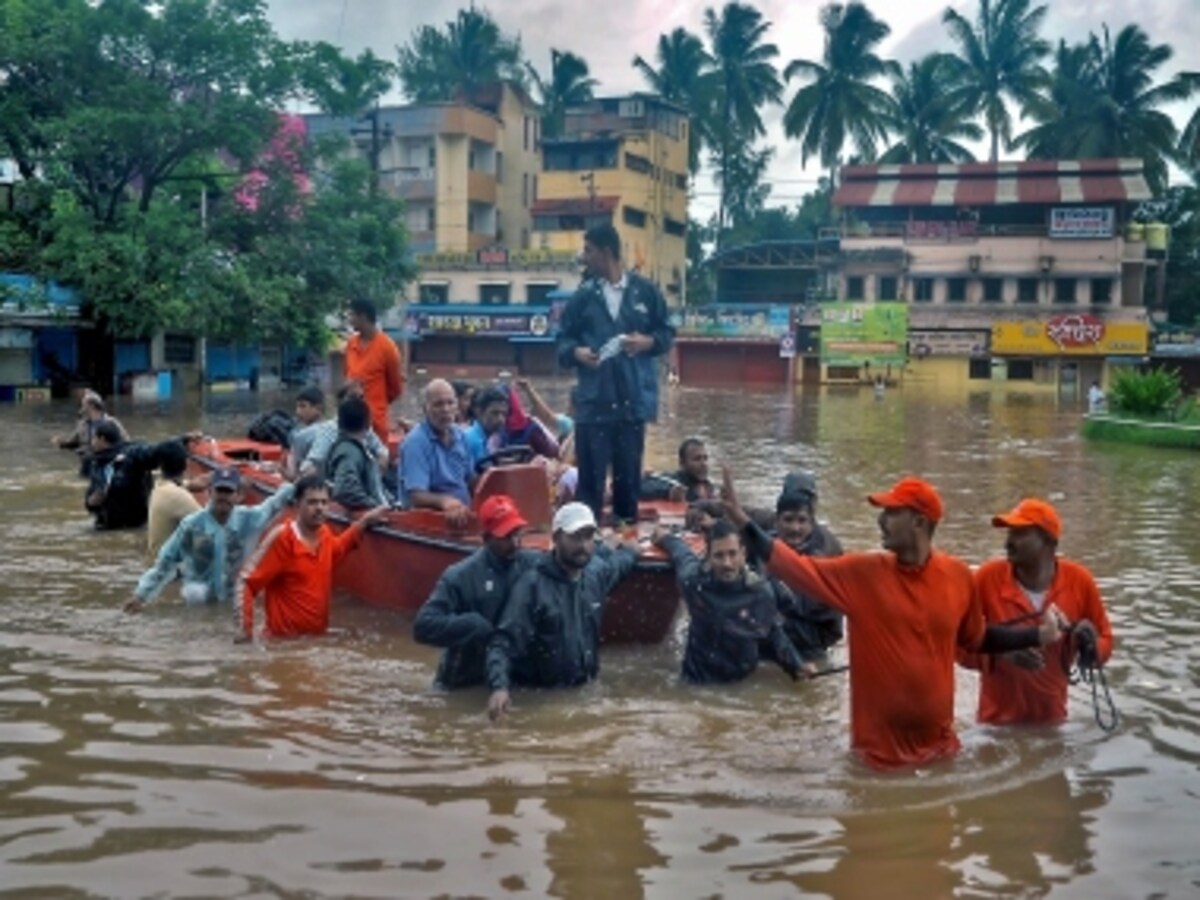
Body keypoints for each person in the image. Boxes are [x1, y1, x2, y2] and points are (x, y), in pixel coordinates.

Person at [721, 468, 1065, 770]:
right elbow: (794, 568)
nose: (881, 520)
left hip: (943, 752)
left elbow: (975, 639)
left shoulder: (959, 576)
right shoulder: (862, 573)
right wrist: (743, 522)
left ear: (918, 522)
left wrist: (1035, 636)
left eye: (891, 512)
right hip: (875, 761)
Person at [557, 222, 673, 524]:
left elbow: (667, 333)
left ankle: (626, 546)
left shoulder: (646, 292)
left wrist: (646, 342)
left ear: (606, 252)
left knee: (628, 484)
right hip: (593, 404)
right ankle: (585, 547)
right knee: (590, 486)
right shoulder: (582, 297)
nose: (585, 257)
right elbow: (561, 341)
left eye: (589, 251)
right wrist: (577, 353)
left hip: (632, 404)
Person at [960, 499, 1114, 726]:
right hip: (994, 726)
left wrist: (1089, 648)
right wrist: (999, 654)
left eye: (1020, 534)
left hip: (1053, 723)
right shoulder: (986, 578)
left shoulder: (1080, 581)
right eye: (1009, 534)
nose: (1009, 543)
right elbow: (955, 643)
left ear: (1049, 542)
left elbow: (1106, 639)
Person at [485, 502, 638, 721]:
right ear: (555, 538)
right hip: (542, 703)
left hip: (587, 696)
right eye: (575, 537)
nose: (583, 545)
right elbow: (503, 642)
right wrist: (499, 688)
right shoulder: (532, 587)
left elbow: (616, 566)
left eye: (588, 537)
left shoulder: (594, 574)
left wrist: (631, 552)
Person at [653, 519, 816, 685]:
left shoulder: (760, 592)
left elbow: (774, 634)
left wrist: (798, 665)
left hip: (740, 685)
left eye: (732, 554)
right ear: (708, 557)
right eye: (719, 555)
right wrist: (665, 538)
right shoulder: (693, 583)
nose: (727, 563)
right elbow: (683, 555)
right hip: (696, 682)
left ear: (743, 554)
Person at [238, 474, 388, 641]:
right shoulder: (283, 538)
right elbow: (246, 583)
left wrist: (363, 523)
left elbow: (337, 550)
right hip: (281, 645)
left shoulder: (324, 533)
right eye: (312, 502)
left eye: (324, 502)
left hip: (315, 643)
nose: (319, 508)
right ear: (297, 505)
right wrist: (245, 635)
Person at [126, 467, 296, 612]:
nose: (223, 496)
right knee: (195, 596)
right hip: (199, 598)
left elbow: (274, 504)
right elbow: (166, 562)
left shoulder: (250, 519)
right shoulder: (192, 526)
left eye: (228, 492)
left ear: (238, 495)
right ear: (209, 492)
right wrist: (141, 596)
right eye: (219, 491)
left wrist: (294, 485)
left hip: (233, 597)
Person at [413, 495, 540, 688]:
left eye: (517, 533)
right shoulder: (460, 576)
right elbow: (423, 626)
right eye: (506, 537)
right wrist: (472, 626)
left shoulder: (532, 564)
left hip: (509, 677)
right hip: (463, 681)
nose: (515, 543)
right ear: (486, 539)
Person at [399, 379, 474, 527]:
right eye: (438, 404)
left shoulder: (461, 436)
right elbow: (416, 496)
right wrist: (445, 501)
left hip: (463, 518)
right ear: (425, 409)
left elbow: (470, 479)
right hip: (427, 524)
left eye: (450, 403)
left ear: (457, 406)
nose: (445, 409)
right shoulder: (415, 442)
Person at [296, 380, 389, 478]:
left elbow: (382, 451)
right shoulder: (329, 430)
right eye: (352, 397)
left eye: (361, 397)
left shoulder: (366, 428)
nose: (358, 402)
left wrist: (375, 475)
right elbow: (310, 464)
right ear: (340, 403)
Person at [344, 296, 404, 444]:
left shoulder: (387, 347)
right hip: (350, 420)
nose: (349, 320)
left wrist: (375, 402)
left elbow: (395, 389)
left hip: (375, 423)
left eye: (352, 315)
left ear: (363, 316)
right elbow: (347, 377)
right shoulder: (351, 344)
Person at [84, 421, 160, 530]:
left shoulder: (131, 456)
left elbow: (158, 452)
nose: (91, 442)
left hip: (134, 523)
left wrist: (183, 440)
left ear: (101, 439)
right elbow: (91, 495)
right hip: (107, 524)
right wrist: (90, 502)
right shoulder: (96, 462)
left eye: (93, 438)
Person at [325, 396, 390, 510]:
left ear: (339, 423)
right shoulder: (349, 453)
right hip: (372, 514)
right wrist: (374, 506)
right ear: (368, 424)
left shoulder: (353, 448)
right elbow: (345, 490)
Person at [146, 439, 201, 557]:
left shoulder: (158, 484)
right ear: (186, 464)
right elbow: (209, 527)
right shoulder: (178, 496)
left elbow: (184, 483)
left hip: (157, 563)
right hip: (170, 569)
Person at [53, 392, 129, 477]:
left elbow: (126, 444)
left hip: (107, 463)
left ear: (91, 406)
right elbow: (74, 443)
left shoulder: (112, 423)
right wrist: (62, 443)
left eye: (84, 405)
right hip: (88, 463)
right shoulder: (82, 424)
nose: (82, 408)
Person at [640, 438, 715, 502]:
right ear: (682, 463)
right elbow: (640, 488)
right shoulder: (671, 481)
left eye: (705, 458)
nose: (703, 464)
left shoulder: (708, 486)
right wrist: (668, 492)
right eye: (697, 459)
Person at [515, 377, 574, 444]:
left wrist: (528, 389)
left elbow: (546, 416)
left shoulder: (570, 423)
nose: (567, 405)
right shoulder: (570, 422)